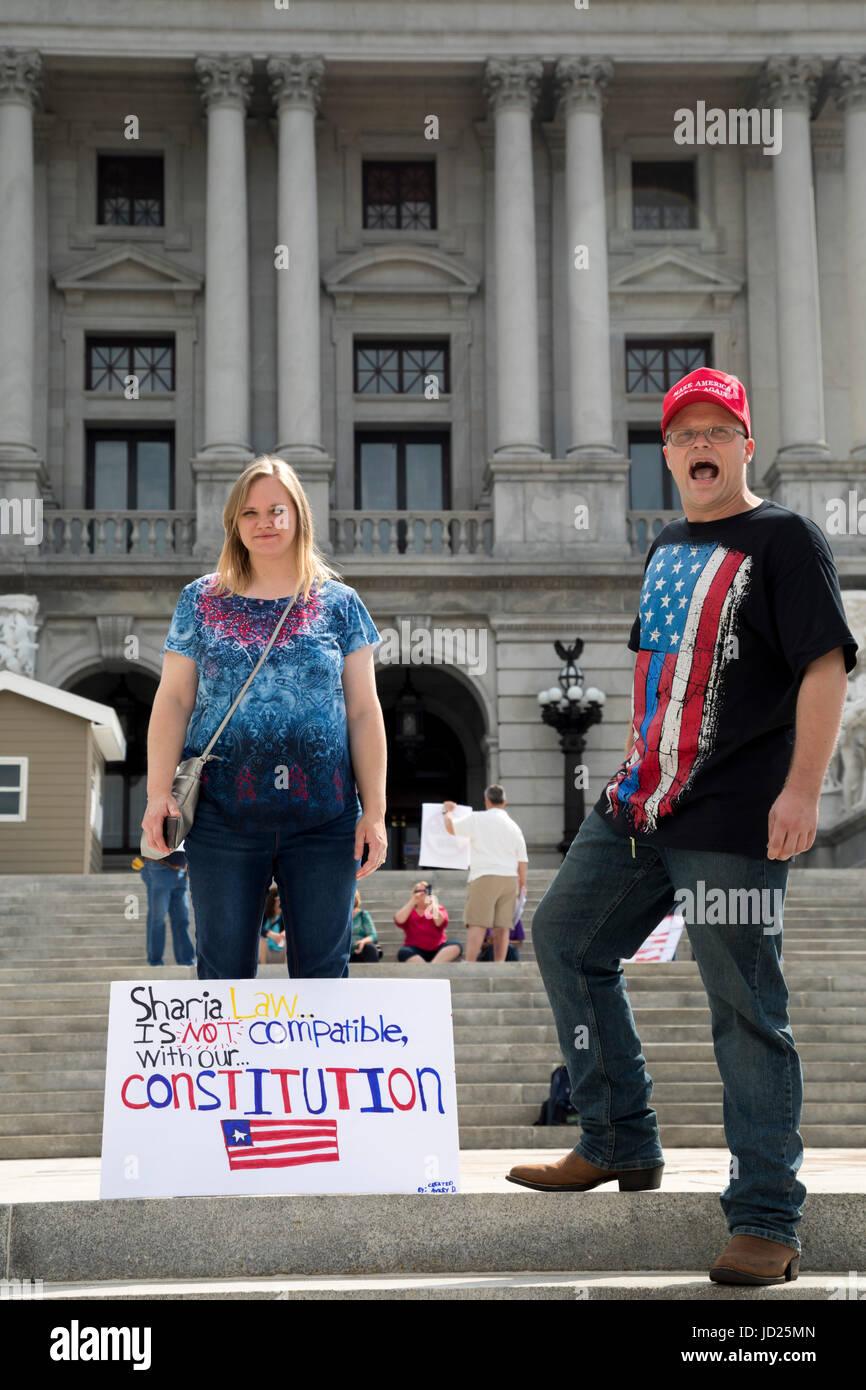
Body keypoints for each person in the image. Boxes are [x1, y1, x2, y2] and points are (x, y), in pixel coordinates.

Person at [506, 368, 858, 1287]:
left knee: (745, 1011)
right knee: (562, 938)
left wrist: (802, 792)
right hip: (640, 807)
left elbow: (824, 668)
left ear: (745, 442)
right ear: (663, 454)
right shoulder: (667, 547)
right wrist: (629, 773)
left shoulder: (786, 541)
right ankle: (618, 1136)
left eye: (717, 430)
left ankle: (768, 1220)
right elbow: (663, 680)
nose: (699, 444)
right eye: (682, 433)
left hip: (736, 816)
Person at [142, 455, 388, 980]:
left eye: (277, 510)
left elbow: (365, 712)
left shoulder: (339, 603)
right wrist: (158, 792)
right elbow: (174, 701)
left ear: (298, 514)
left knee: (324, 977)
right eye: (250, 513)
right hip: (222, 817)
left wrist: (376, 810)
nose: (265, 522)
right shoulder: (200, 600)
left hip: (325, 819)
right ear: (235, 523)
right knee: (222, 973)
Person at [442, 786, 528, 962]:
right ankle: (499, 964)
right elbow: (522, 860)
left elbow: (451, 828)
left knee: (478, 922)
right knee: (503, 925)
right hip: (509, 878)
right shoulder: (514, 826)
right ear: (504, 802)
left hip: (484, 875)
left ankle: (471, 962)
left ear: (487, 801)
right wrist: (522, 885)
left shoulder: (477, 819)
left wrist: (447, 811)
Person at [138, 850, 195, 967]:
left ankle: (186, 961)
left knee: (182, 919)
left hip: (180, 870)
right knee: (158, 918)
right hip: (159, 866)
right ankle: (155, 961)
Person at [394, 880, 462, 962]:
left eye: (425, 891)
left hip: (438, 949)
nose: (422, 893)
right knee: (404, 952)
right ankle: (427, 969)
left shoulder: (437, 908)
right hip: (415, 950)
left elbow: (440, 922)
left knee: (456, 945)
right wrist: (412, 902)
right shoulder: (409, 910)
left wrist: (431, 904)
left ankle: (432, 967)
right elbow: (399, 920)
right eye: (418, 891)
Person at [350, 889, 382, 962]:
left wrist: (363, 942)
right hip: (343, 952)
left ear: (356, 899)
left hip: (360, 951)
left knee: (370, 948)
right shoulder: (339, 916)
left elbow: (373, 935)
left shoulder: (362, 914)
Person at [258, 885, 286, 966]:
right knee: (261, 941)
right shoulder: (264, 916)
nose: (280, 902)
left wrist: (284, 934)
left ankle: (288, 973)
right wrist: (271, 934)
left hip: (281, 951)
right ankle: (263, 970)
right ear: (272, 901)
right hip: (266, 953)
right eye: (278, 900)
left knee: (290, 941)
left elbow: (290, 929)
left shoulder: (284, 917)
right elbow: (258, 929)